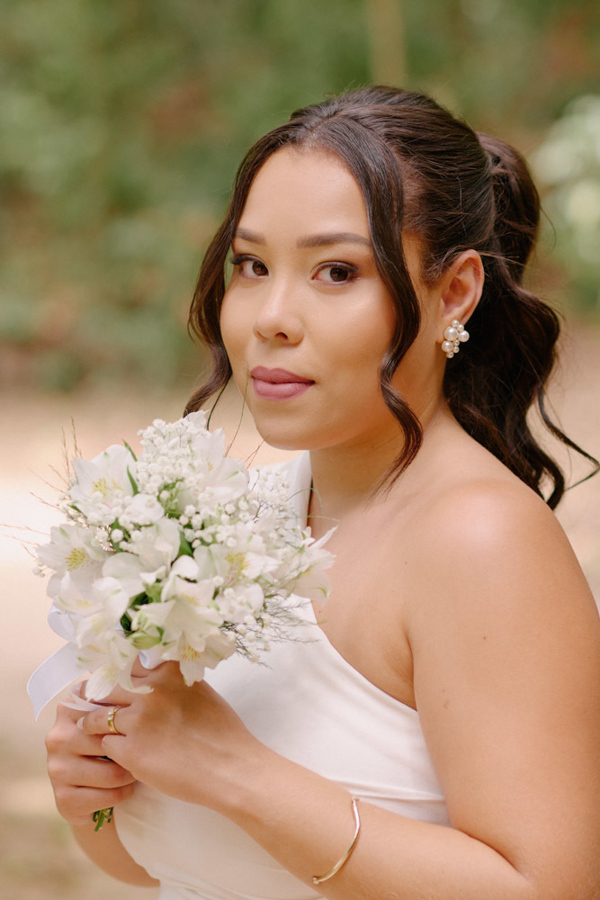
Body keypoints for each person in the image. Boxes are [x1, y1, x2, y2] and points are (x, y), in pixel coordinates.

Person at [45, 86, 600, 899]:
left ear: (454, 293)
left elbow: (551, 888)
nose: (271, 316)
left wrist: (235, 772)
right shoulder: (234, 523)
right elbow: (173, 862)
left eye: (336, 271)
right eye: (252, 265)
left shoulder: (479, 540)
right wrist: (94, 790)